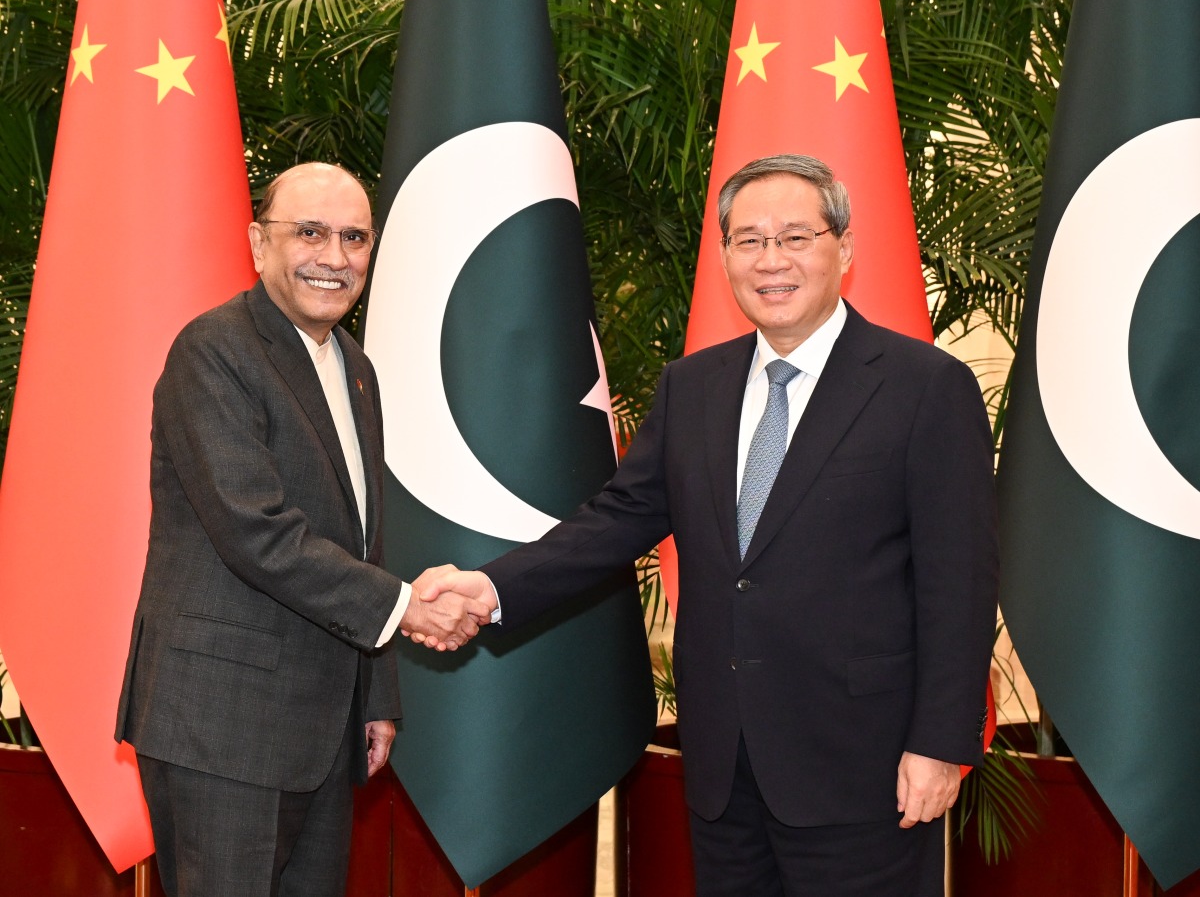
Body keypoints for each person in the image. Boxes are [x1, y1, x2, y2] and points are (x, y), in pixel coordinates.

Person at [416, 155, 998, 896]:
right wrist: (488, 588)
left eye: (795, 236)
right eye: (748, 240)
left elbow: (961, 582)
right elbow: (617, 519)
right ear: (725, 256)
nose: (771, 260)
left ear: (844, 249)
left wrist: (939, 745)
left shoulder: (925, 387)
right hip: (725, 766)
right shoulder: (692, 385)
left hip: (865, 768)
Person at [115, 162, 488, 897]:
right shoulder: (214, 351)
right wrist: (409, 606)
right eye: (310, 232)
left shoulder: (354, 366)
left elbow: (359, 538)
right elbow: (257, 531)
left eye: (354, 237)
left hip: (322, 728)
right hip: (222, 729)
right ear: (259, 243)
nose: (335, 257)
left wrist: (375, 696)